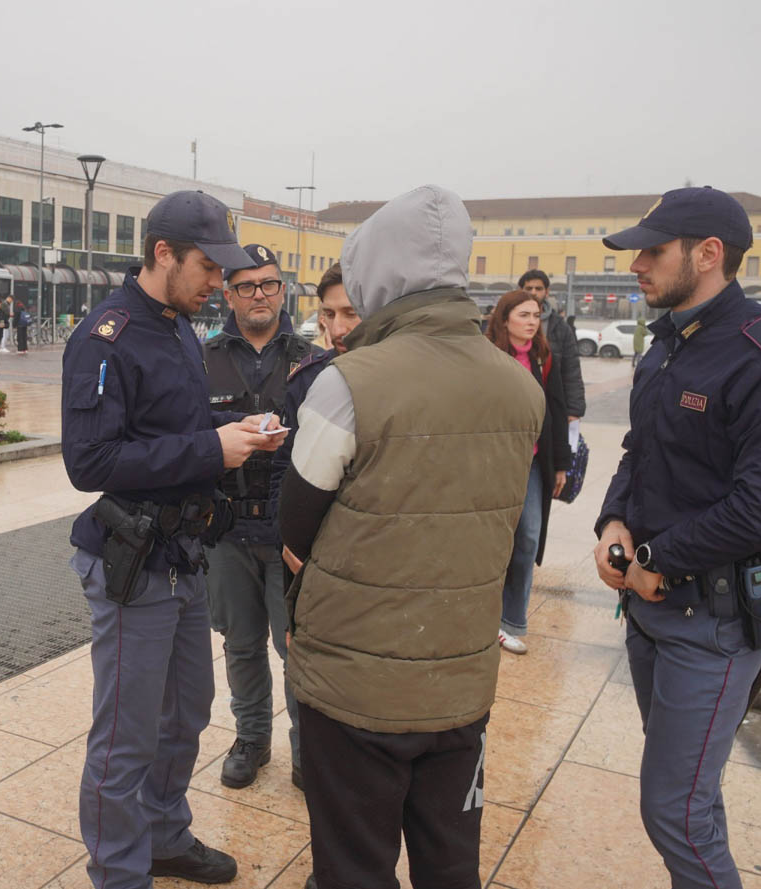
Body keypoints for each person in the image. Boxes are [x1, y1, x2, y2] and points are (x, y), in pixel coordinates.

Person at [278, 186, 544, 889]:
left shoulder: (349, 383)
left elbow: (295, 522)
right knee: (449, 862)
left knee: (355, 866)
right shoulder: (520, 389)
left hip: (355, 686)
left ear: (375, 273)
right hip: (459, 681)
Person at [592, 186, 761, 889]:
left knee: (673, 811)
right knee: (690, 794)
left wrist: (658, 559)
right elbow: (640, 450)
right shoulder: (664, 346)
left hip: (715, 620)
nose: (636, 263)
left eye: (652, 250)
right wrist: (614, 522)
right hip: (650, 609)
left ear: (709, 254)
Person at [61, 190, 286, 889]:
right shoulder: (107, 336)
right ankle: (120, 871)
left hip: (186, 558)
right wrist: (210, 449)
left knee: (187, 713)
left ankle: (162, 835)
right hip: (135, 563)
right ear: (162, 253)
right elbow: (88, 462)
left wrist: (237, 435)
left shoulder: (181, 328)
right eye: (208, 268)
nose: (219, 283)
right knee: (125, 737)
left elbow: (176, 433)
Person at [202, 243, 323, 791]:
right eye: (246, 285)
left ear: (283, 290)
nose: (259, 295)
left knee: (295, 645)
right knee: (241, 643)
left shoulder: (311, 358)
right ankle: (252, 738)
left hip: (289, 531)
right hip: (225, 527)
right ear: (228, 293)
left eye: (269, 284)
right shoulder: (201, 358)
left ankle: (307, 747)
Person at [484, 290, 570, 655]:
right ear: (505, 319)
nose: (533, 321)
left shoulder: (543, 358)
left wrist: (561, 463)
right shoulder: (487, 357)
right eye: (524, 314)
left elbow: (558, 407)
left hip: (533, 461)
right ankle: (483, 618)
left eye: (536, 314)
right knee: (492, 540)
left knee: (528, 536)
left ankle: (512, 620)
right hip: (493, 462)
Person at [273, 261, 358, 576]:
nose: (337, 329)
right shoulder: (308, 377)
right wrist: (287, 543)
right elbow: (283, 467)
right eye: (329, 314)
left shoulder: (404, 381)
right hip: (306, 555)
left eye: (351, 313)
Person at [518, 269, 586, 422]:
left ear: (547, 292)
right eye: (529, 288)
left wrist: (574, 410)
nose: (534, 292)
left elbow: (571, 370)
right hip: (516, 401)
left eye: (539, 288)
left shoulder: (560, 327)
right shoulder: (506, 322)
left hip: (550, 403)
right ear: (520, 291)